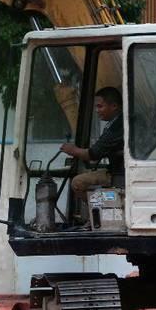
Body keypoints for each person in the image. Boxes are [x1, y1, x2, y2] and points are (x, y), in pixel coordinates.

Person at [60, 87, 124, 218]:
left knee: (78, 183)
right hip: (116, 170)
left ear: (114, 106)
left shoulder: (117, 127)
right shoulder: (116, 123)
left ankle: (99, 215)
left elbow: (93, 154)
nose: (97, 111)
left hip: (118, 174)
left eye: (100, 106)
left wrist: (72, 150)